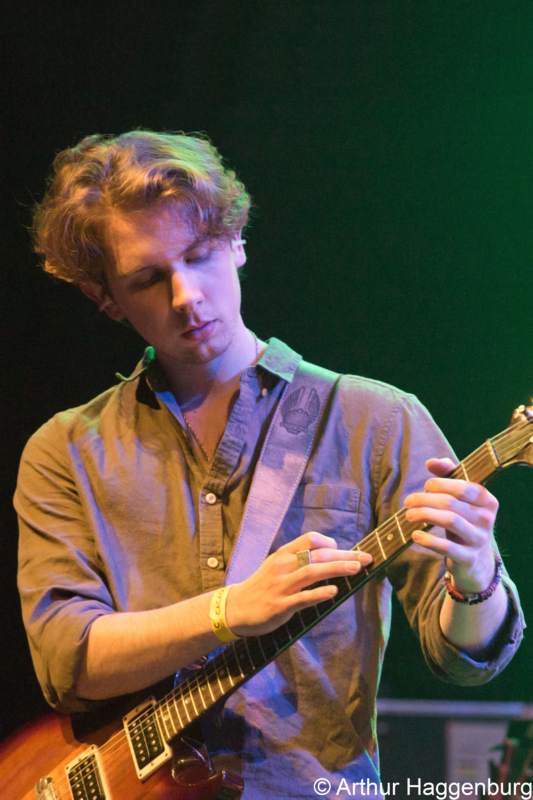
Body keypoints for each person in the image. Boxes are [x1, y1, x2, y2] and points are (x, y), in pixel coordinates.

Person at [15, 130, 524, 799]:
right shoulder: (64, 451)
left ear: (236, 241)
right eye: (148, 279)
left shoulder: (375, 419)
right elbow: (66, 659)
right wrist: (227, 611)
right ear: (105, 296)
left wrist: (475, 575)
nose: (186, 296)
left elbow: (465, 662)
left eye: (198, 256)